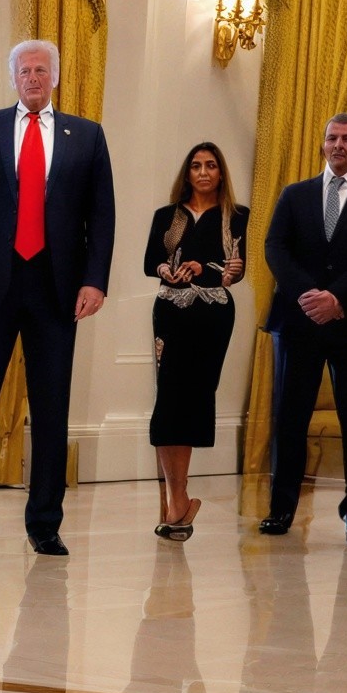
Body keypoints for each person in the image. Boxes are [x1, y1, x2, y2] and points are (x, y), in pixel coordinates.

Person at [0, 39, 115, 556]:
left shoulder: (87, 135)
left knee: (52, 408)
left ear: (54, 77)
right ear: (12, 77)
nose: (33, 78)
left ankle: (45, 523)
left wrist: (95, 280)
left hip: (57, 290)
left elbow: (101, 214)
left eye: (41, 70)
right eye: (24, 71)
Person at [260, 113, 347, 544]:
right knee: (290, 418)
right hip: (299, 324)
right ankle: (281, 510)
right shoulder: (296, 194)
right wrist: (311, 296)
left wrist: (337, 298)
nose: (338, 145)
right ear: (323, 144)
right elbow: (275, 247)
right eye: (332, 138)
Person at [141, 142, 245, 542]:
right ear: (187, 173)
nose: (203, 172)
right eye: (197, 166)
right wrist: (167, 269)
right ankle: (177, 499)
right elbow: (151, 261)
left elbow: (234, 270)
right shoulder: (166, 216)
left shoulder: (236, 216)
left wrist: (209, 268)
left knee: (194, 397)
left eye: (211, 165)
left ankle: (179, 500)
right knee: (168, 399)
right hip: (170, 310)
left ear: (220, 173)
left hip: (213, 314)